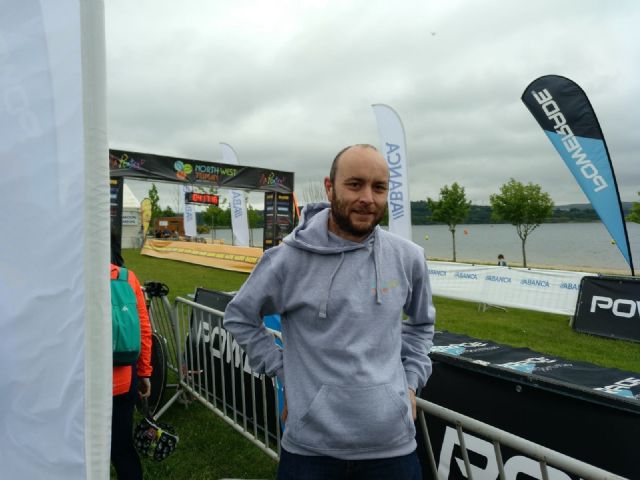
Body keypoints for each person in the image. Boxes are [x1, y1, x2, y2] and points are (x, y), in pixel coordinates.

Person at [223, 144, 435, 479]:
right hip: (310, 453)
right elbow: (240, 316)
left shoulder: (408, 258)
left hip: (392, 451)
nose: (368, 198)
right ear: (329, 187)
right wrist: (284, 372)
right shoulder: (288, 259)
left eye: (379, 187)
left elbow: (422, 325)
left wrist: (410, 383)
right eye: (355, 184)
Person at [110, 232, 153, 480]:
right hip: (123, 380)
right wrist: (144, 372)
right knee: (122, 448)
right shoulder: (127, 278)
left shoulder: (72, 277)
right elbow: (144, 329)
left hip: (81, 380)